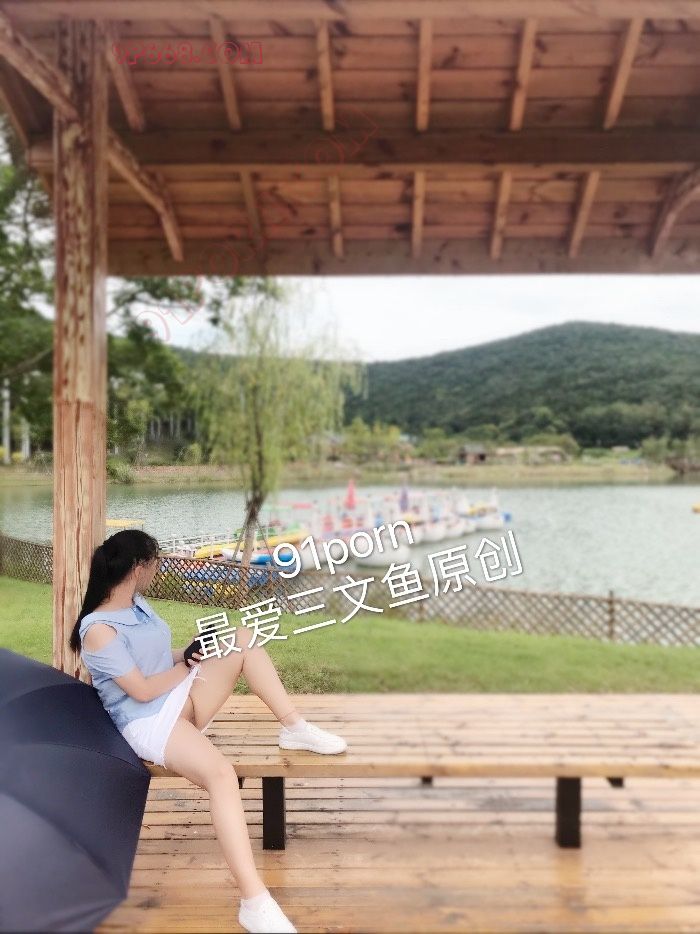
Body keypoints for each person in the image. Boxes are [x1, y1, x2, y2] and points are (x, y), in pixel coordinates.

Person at [70, 529, 348, 934]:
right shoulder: (98, 628)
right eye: (155, 562)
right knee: (221, 776)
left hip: (175, 698)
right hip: (146, 721)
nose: (158, 569)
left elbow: (152, 661)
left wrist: (188, 653)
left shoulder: (137, 605)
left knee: (242, 639)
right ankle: (254, 901)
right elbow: (140, 689)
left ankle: (295, 727)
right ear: (138, 567)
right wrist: (186, 667)